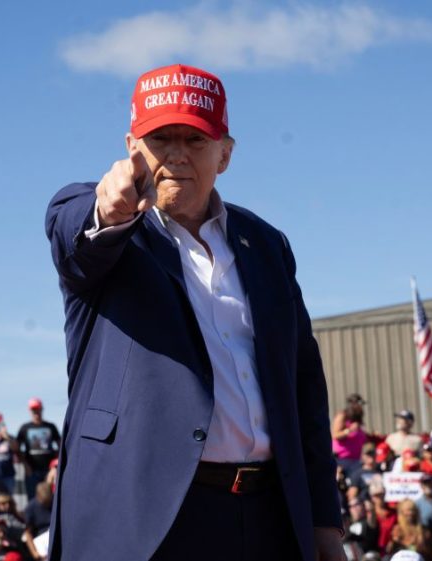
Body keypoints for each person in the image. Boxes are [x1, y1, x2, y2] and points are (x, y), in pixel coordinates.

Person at [44, 63, 343, 560]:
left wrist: (323, 523)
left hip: (270, 517)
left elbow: (304, 388)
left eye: (196, 140)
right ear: (131, 148)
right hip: (150, 522)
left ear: (224, 154)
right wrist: (107, 211)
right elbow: (72, 238)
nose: (177, 156)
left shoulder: (267, 245)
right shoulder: (107, 230)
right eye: (161, 139)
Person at [14, 398, 61, 499]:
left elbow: (60, 446)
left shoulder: (50, 427)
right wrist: (25, 465)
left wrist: (55, 466)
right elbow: (17, 449)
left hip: (49, 471)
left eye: (38, 409)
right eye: (33, 410)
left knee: (50, 498)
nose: (36, 412)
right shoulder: (25, 428)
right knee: (33, 498)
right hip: (31, 471)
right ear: (30, 411)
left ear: (41, 409)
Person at [333, 393, 371, 478]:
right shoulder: (343, 416)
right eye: (359, 405)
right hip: (342, 460)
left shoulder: (357, 419)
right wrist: (349, 430)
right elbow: (335, 435)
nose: (361, 408)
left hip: (357, 460)